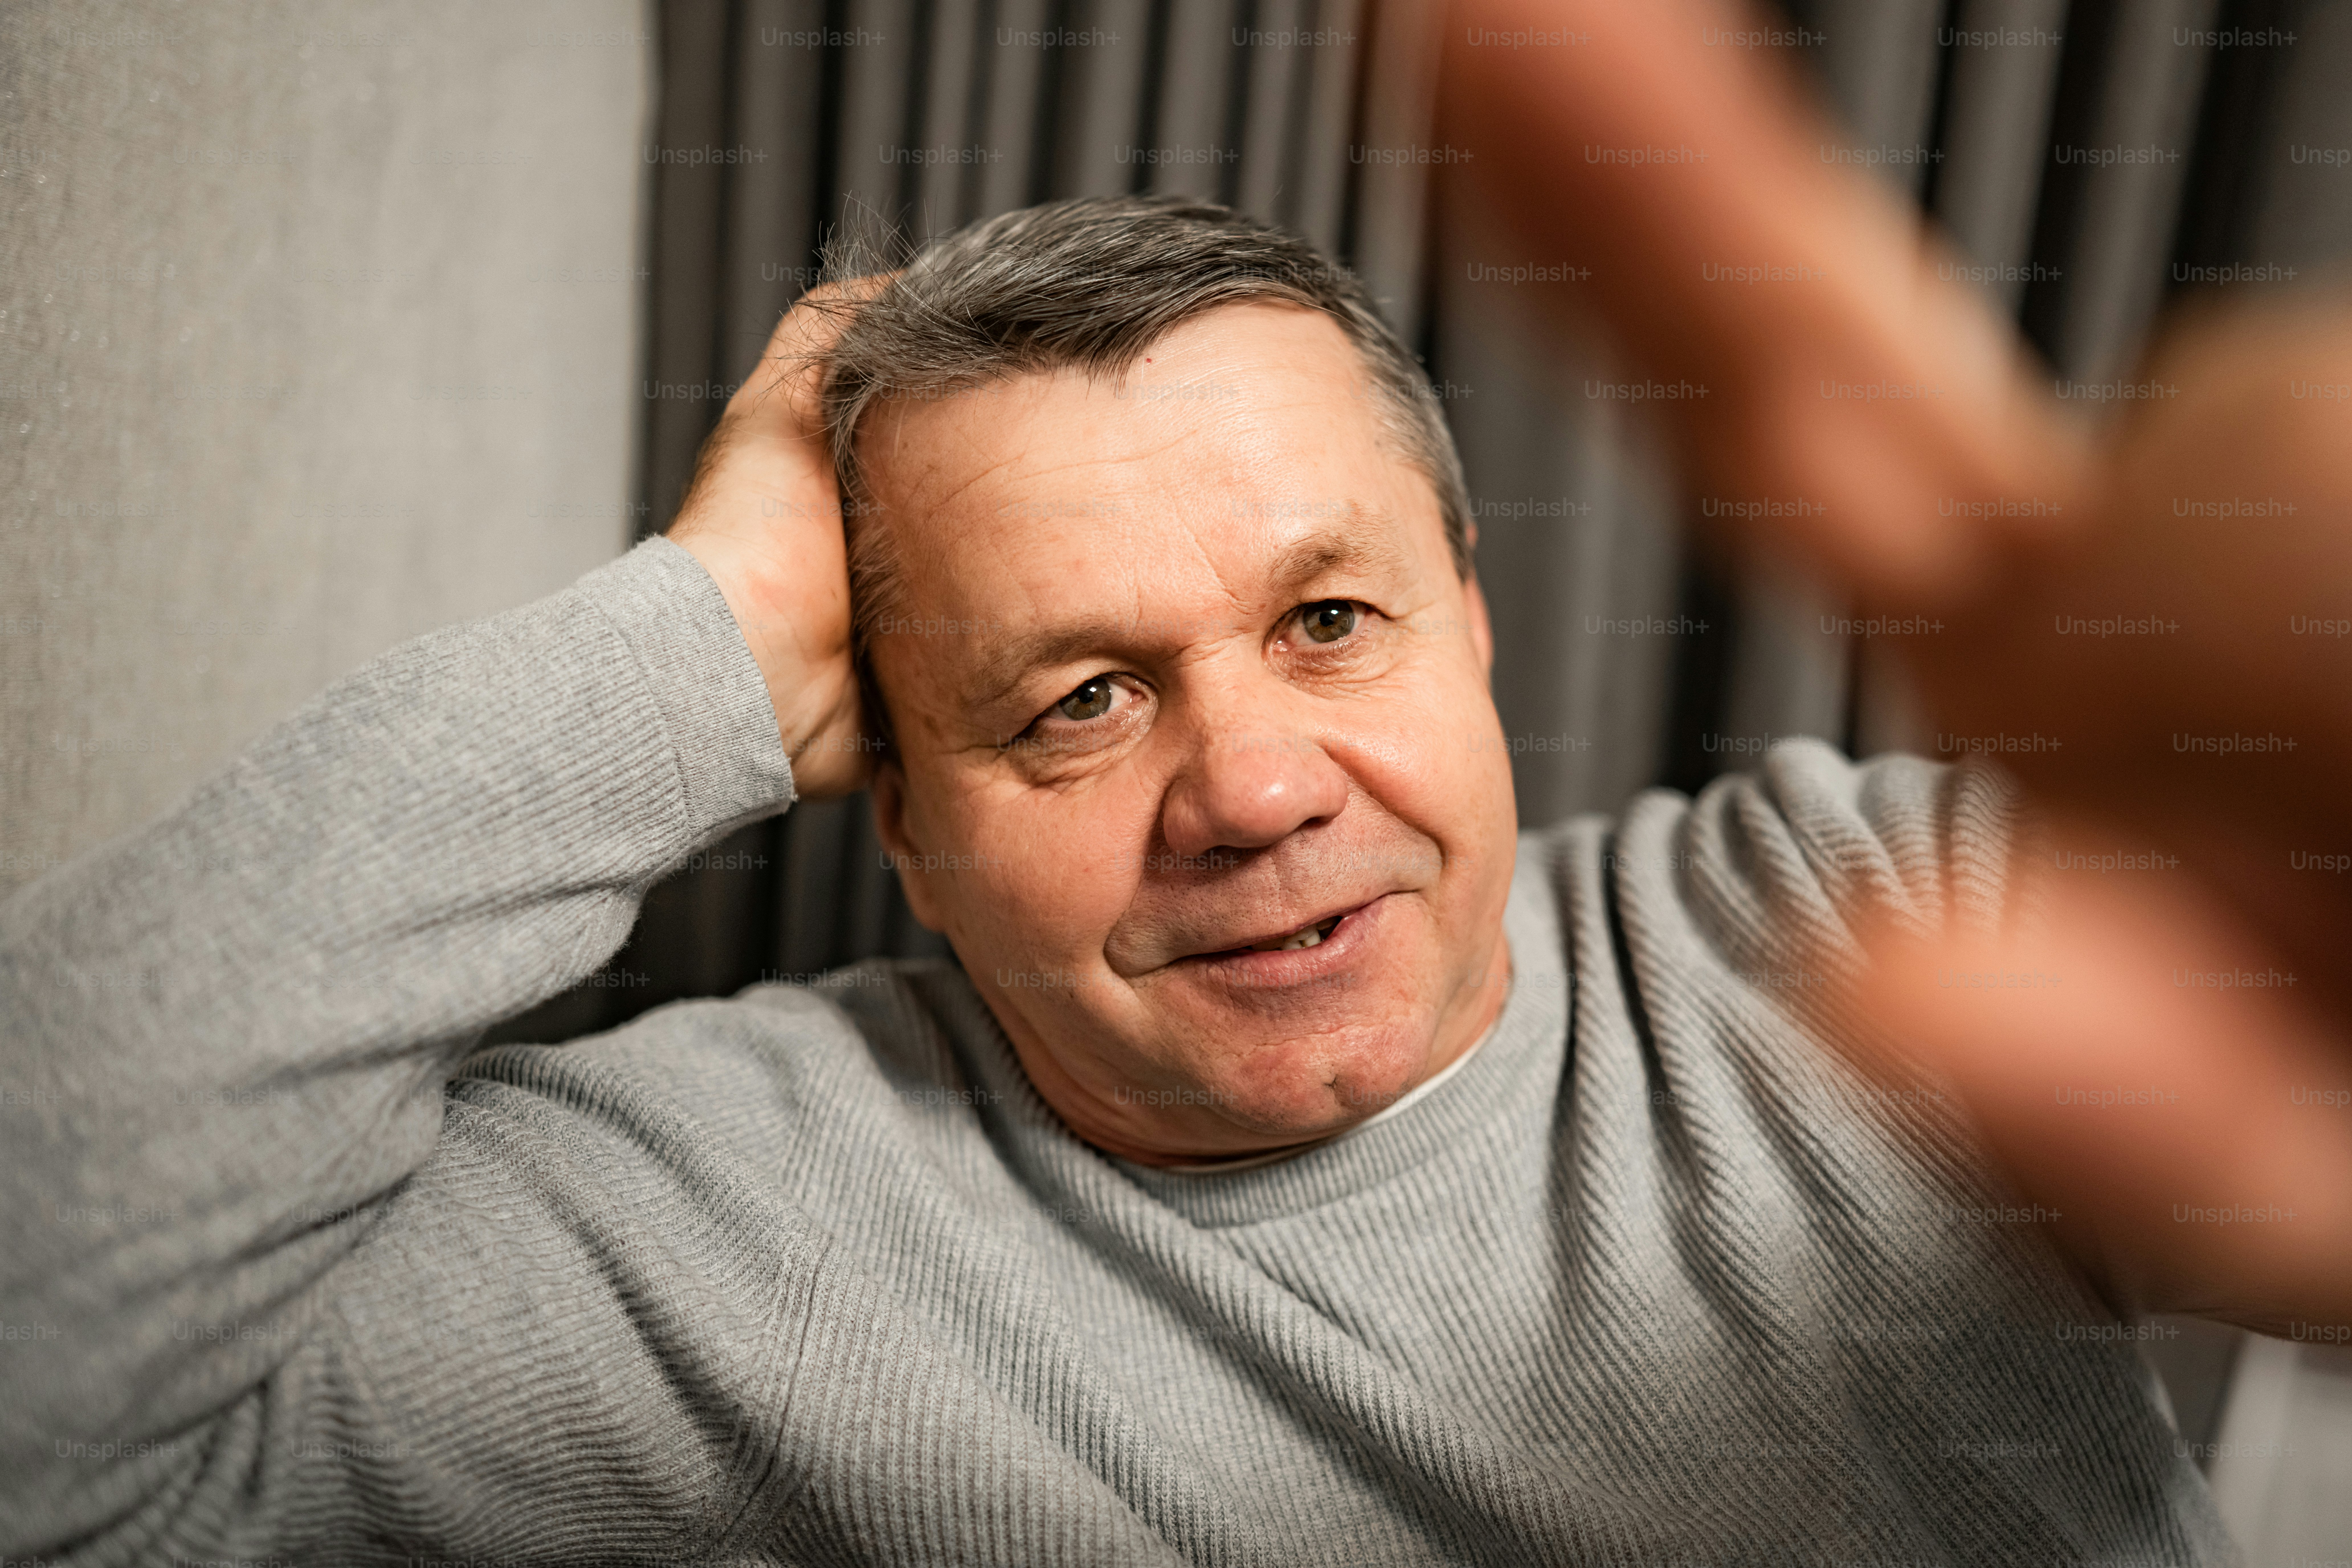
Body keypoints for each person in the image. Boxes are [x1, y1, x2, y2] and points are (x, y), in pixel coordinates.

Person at [6, 5, 2346, 1565]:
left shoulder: (1876, 925)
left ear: (1475, 627)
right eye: (1078, 701)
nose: (1247, 787)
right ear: (901, 824)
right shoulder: (744, 1209)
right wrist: (690, 648)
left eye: (1330, 622)